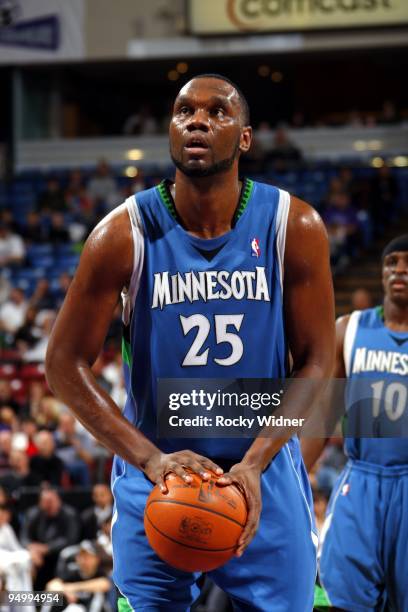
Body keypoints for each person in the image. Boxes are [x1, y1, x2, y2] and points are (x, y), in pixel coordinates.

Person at [45, 74, 335, 611]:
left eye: (217, 111)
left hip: (261, 473)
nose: (198, 120)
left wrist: (255, 461)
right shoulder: (120, 235)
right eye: (184, 111)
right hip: (155, 477)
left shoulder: (294, 226)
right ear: (171, 131)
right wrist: (149, 459)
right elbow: (63, 364)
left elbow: (319, 359)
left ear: (245, 137)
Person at [302, 235, 408, 610]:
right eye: (392, 262)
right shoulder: (350, 329)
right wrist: (295, 478)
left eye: (407, 263)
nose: (400, 270)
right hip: (361, 480)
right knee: (342, 595)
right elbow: (323, 416)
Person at [20, 487, 79, 590]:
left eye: (51, 501)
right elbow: (24, 537)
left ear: (58, 501)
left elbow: (70, 539)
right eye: (45, 502)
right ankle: (28, 599)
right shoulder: (33, 513)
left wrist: (47, 548)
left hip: (58, 554)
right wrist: (31, 549)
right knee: (25, 560)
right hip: (37, 556)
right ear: (40, 503)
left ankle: (57, 596)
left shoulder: (70, 514)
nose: (49, 505)